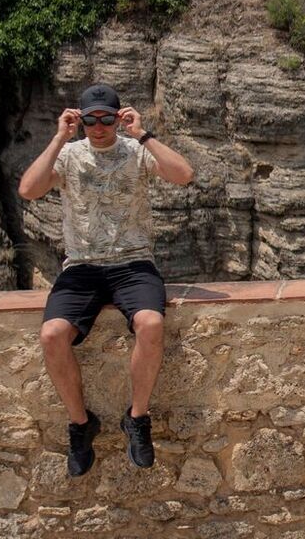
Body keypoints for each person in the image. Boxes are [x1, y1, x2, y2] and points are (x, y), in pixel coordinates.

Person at [18, 83, 194, 475]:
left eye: (106, 119)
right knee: (51, 335)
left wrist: (142, 134)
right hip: (82, 266)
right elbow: (28, 190)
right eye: (91, 119)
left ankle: (137, 417)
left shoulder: (136, 150)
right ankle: (81, 424)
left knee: (151, 323)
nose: (98, 127)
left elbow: (184, 175)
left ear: (118, 118)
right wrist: (60, 136)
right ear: (81, 120)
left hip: (133, 263)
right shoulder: (68, 154)